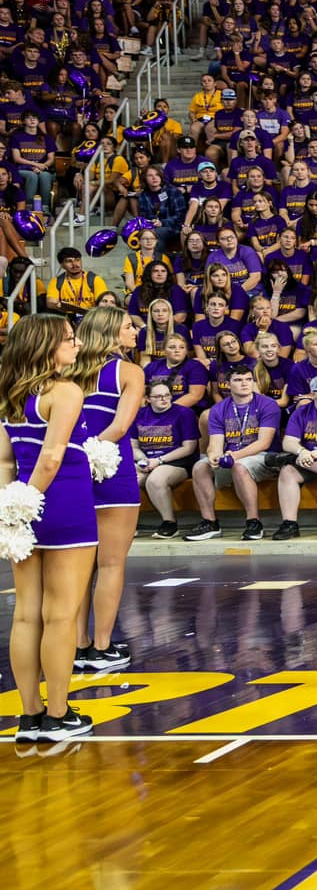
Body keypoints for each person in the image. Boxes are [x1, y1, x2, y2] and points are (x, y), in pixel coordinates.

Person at [2, 315, 95, 743]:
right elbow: (53, 457)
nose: (76, 346)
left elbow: (5, 462)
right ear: (45, 346)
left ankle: (29, 715)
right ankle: (58, 715)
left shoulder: (8, 393)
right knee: (61, 616)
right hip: (63, 502)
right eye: (69, 340)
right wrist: (30, 499)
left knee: (25, 614)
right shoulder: (66, 390)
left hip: (24, 504)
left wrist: (12, 506)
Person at [71, 307, 143, 673]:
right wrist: (93, 453)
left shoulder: (67, 371)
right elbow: (119, 426)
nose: (135, 331)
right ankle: (100, 646)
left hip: (71, 472)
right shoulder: (129, 371)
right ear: (111, 333)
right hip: (112, 470)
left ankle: (78, 646)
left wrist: (76, 457)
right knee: (111, 564)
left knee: (81, 565)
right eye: (129, 326)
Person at [184, 367, 282, 541]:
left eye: (248, 379)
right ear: (228, 384)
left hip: (263, 456)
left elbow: (264, 443)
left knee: (239, 466)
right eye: (238, 380)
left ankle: (254, 522)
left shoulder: (267, 404)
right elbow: (215, 443)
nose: (244, 383)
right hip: (231, 456)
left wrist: (235, 456)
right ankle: (210, 522)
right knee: (200, 467)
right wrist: (214, 454)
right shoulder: (219, 409)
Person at [135, 379, 201, 539]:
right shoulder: (139, 415)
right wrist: (143, 460)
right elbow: (133, 446)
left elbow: (189, 448)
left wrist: (159, 461)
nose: (163, 399)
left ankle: (169, 523)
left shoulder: (184, 413)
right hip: (147, 460)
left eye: (167, 395)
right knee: (128, 479)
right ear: (148, 399)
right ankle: (129, 523)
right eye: (158, 396)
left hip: (177, 461)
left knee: (155, 480)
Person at [271, 392, 317, 541]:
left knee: (294, 461)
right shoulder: (302, 412)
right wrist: (302, 452)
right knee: (287, 471)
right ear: (312, 394)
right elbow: (288, 442)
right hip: (311, 462)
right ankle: (290, 524)